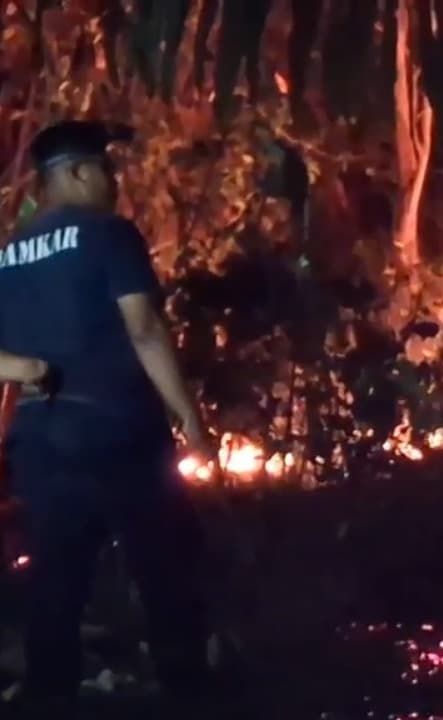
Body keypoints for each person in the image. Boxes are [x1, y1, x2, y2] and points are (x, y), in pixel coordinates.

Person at [0, 120, 215, 713]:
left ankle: (49, 696)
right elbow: (143, 327)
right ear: (74, 173)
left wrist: (27, 372)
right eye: (105, 167)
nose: (114, 180)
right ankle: (187, 690)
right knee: (162, 563)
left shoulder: (8, 253)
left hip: (41, 438)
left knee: (56, 582)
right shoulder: (108, 234)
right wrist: (191, 423)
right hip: (118, 429)